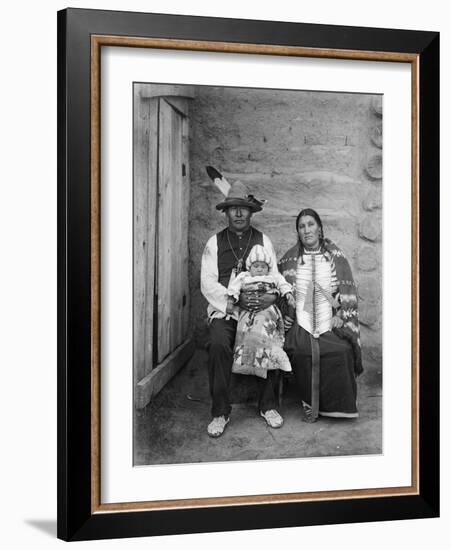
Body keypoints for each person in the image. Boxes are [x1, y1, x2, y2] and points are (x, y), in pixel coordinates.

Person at [200, 179, 284, 437]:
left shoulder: (263, 240)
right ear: (226, 212)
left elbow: (275, 276)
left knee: (270, 337)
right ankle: (220, 412)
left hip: (258, 307)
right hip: (227, 309)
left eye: (243, 208)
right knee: (217, 343)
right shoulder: (214, 242)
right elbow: (207, 282)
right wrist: (234, 301)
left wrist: (267, 299)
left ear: (250, 211)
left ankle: (268, 406)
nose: (238, 213)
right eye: (232, 208)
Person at [278, 208, 363, 422]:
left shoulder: (336, 257)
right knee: (301, 350)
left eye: (310, 224)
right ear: (298, 232)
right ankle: (309, 401)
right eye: (301, 226)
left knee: (342, 350)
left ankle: (339, 404)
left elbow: (347, 292)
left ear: (319, 227)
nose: (307, 230)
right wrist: (287, 314)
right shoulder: (289, 260)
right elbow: (279, 290)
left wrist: (341, 314)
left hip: (329, 318)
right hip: (301, 320)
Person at [227, 244, 296, 380]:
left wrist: (288, 294)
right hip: (248, 309)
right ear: (250, 267)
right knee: (246, 331)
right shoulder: (243, 276)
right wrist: (231, 301)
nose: (259, 269)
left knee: (263, 329)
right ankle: (245, 362)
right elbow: (233, 288)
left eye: (263, 266)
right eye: (256, 266)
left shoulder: (272, 277)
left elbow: (283, 284)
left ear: (268, 268)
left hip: (267, 309)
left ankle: (274, 357)